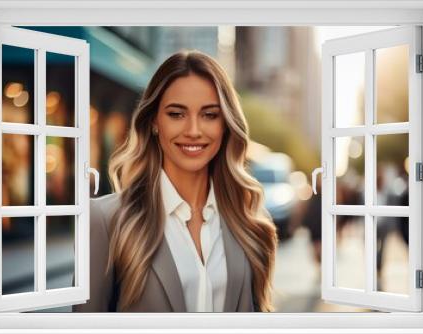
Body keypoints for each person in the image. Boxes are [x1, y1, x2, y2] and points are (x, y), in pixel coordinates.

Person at [73, 50, 278, 313]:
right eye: (176, 114)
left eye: (209, 115)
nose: (193, 131)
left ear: (226, 124)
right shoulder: (104, 219)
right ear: (154, 122)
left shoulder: (250, 223)